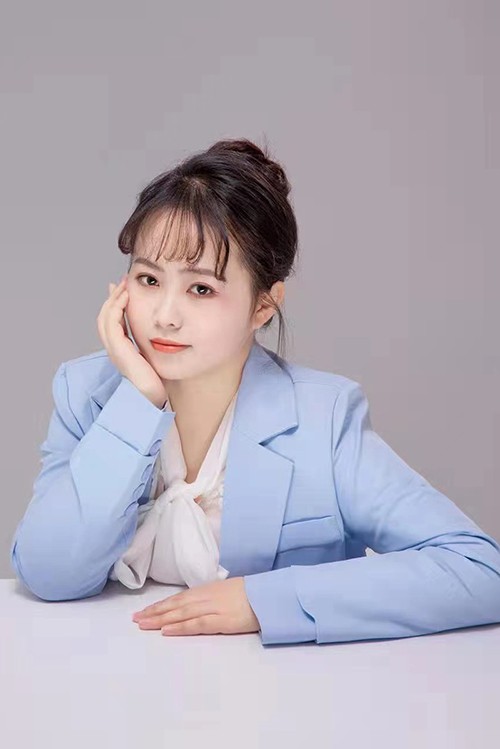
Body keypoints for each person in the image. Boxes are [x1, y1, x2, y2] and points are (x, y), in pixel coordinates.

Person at [10, 137, 500, 646]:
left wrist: (263, 600)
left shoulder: (323, 419)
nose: (165, 316)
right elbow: (49, 573)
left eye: (201, 288)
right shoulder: (86, 393)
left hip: (276, 688)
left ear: (263, 306)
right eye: (149, 279)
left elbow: (479, 568)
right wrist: (139, 400)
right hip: (110, 677)